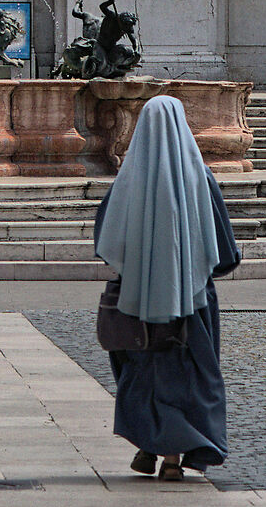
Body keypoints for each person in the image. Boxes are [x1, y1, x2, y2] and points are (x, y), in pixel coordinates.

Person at [93, 94, 242, 482]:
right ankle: (173, 458)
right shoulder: (201, 178)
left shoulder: (127, 181)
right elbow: (224, 248)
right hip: (192, 301)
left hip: (136, 299)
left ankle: (149, 444)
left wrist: (141, 268)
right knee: (189, 374)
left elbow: (105, 242)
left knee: (142, 370)